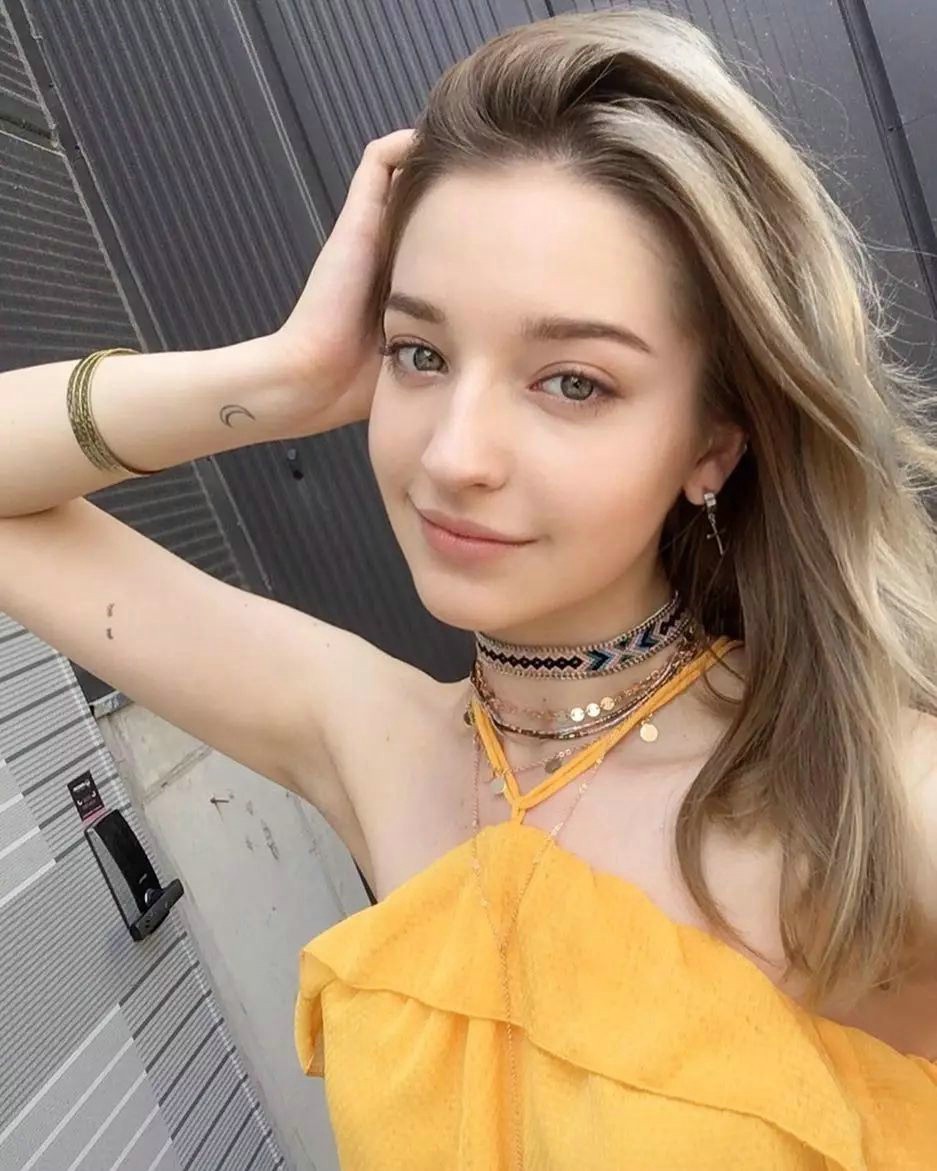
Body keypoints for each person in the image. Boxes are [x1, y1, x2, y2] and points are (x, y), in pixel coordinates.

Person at [1, 6, 936, 1168]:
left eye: (573, 381)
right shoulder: (375, 741)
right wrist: (282, 377)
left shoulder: (871, 796)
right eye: (421, 354)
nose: (453, 454)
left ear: (712, 445)